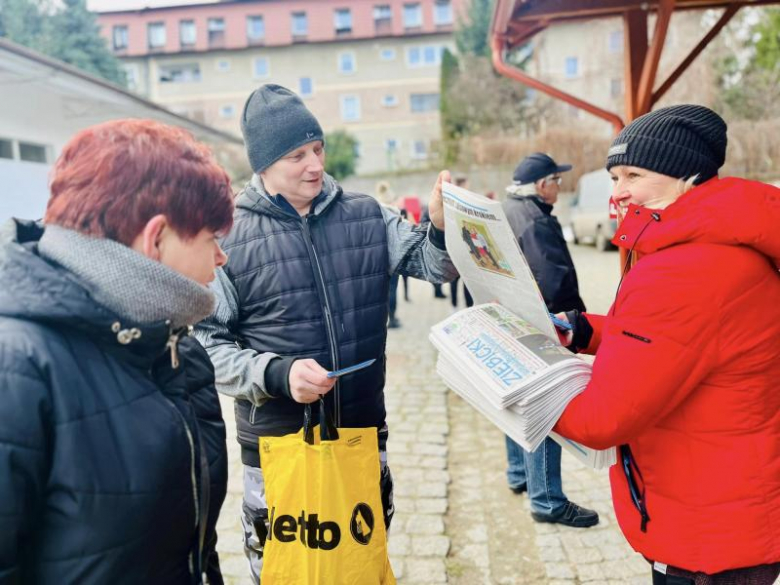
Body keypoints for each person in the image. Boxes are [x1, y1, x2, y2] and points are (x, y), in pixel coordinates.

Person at [194, 84, 457, 584]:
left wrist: (441, 228)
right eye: (297, 155)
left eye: (318, 150)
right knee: (284, 571)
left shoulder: (367, 214)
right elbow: (206, 346)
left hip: (361, 435)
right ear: (264, 164)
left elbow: (436, 267)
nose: (314, 165)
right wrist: (276, 373)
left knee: (359, 566)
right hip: (277, 449)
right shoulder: (228, 237)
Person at [0, 119, 233, 583]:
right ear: (157, 238)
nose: (222, 259)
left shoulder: (174, 346)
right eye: (212, 239)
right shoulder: (17, 370)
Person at [554, 105, 780, 583]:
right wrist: (585, 331)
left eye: (633, 174)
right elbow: (675, 343)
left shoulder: (687, 269)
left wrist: (519, 389)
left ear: (688, 175)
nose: (619, 192)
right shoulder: (715, 245)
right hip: (732, 511)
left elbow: (602, 419)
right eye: (614, 176)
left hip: (708, 536)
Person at [501, 152, 598, 528]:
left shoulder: (510, 208)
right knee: (542, 408)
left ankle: (519, 474)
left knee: (516, 401)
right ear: (542, 185)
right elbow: (553, 283)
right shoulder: (536, 222)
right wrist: (575, 326)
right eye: (557, 180)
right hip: (543, 328)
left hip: (514, 324)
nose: (560, 186)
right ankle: (547, 500)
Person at [375, 180, 402, 328]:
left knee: (381, 292)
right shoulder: (394, 212)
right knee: (392, 290)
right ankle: (392, 318)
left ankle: (382, 320)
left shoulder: (375, 209)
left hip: (379, 256)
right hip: (394, 255)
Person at [449, 175, 473, 310]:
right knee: (463, 279)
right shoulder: (461, 200)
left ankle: (457, 306)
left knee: (463, 280)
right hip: (460, 245)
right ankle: (461, 306)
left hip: (461, 246)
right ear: (463, 184)